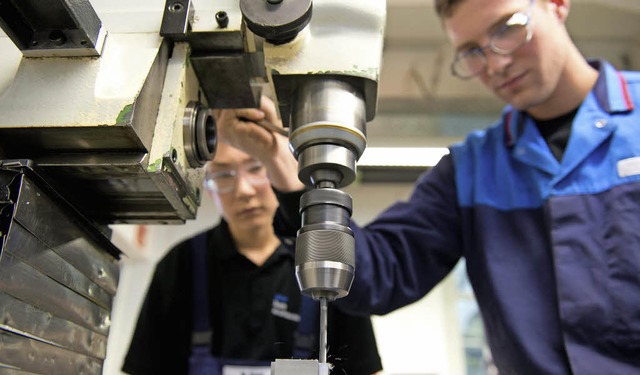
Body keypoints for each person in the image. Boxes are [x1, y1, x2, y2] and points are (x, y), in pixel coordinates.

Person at [214, 0, 640, 374]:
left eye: (507, 29)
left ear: (556, 4)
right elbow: (377, 272)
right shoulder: (471, 170)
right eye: (471, 52)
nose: (495, 63)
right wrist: (280, 165)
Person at [122, 98, 383, 375]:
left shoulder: (323, 263)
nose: (244, 189)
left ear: (277, 168)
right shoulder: (179, 265)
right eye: (224, 174)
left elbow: (366, 369)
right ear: (207, 187)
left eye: (256, 167)